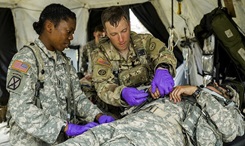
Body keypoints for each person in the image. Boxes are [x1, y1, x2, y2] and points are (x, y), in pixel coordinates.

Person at [5, 4, 114, 146]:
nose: (71, 37)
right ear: (50, 27)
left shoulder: (64, 62)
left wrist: (98, 115)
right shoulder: (25, 60)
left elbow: (78, 98)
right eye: (68, 31)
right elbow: (20, 109)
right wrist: (65, 127)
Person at [57, 83, 245, 146]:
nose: (215, 86)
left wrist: (198, 92)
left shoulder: (228, 110)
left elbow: (229, 130)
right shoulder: (184, 91)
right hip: (128, 122)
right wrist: (151, 91)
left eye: (221, 89)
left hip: (157, 135)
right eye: (214, 84)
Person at [91, 6, 177, 117]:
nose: (121, 39)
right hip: (122, 113)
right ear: (106, 33)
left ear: (129, 25)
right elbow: (102, 85)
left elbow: (164, 54)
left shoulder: (144, 41)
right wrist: (121, 93)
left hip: (154, 103)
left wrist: (163, 68)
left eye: (124, 31)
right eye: (114, 34)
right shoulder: (101, 54)